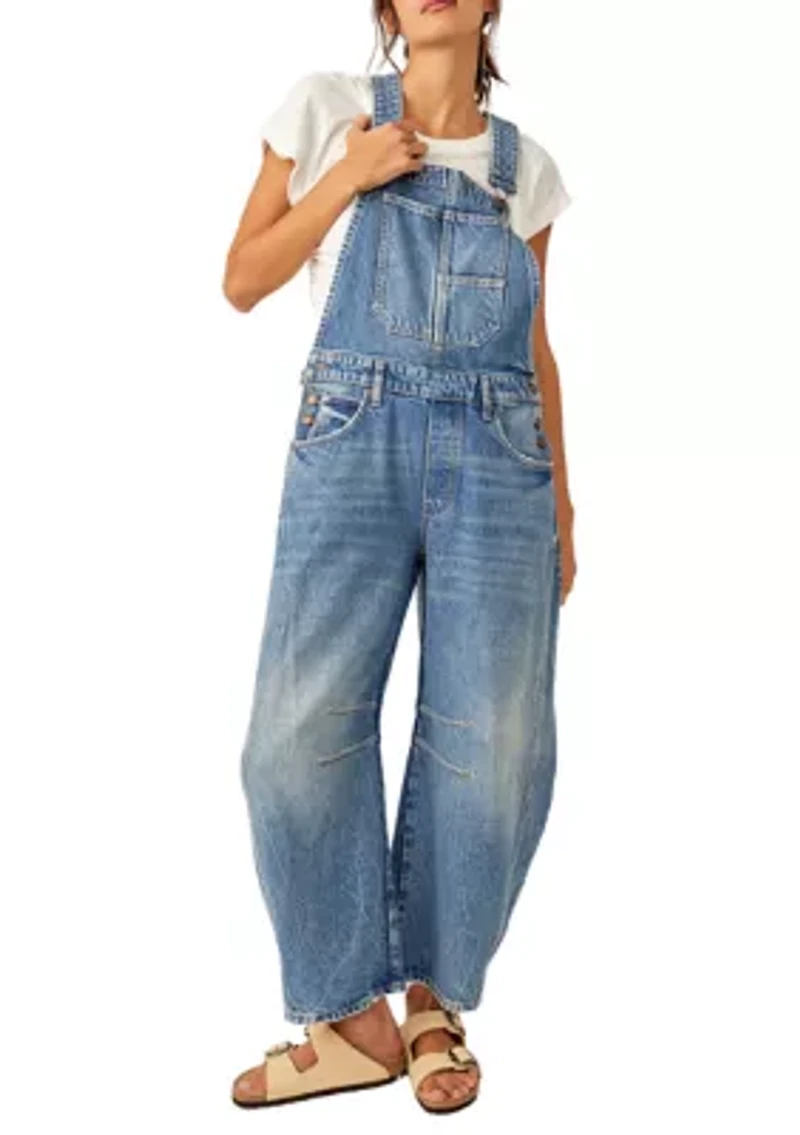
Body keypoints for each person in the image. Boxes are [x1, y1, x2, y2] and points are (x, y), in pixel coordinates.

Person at [222, 0, 576, 1114]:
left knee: (494, 743)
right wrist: (350, 174)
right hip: (350, 440)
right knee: (292, 738)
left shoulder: (526, 171)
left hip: (501, 459)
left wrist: (564, 507)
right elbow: (243, 277)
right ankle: (349, 1019)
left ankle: (432, 1002)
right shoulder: (326, 111)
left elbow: (534, 347)